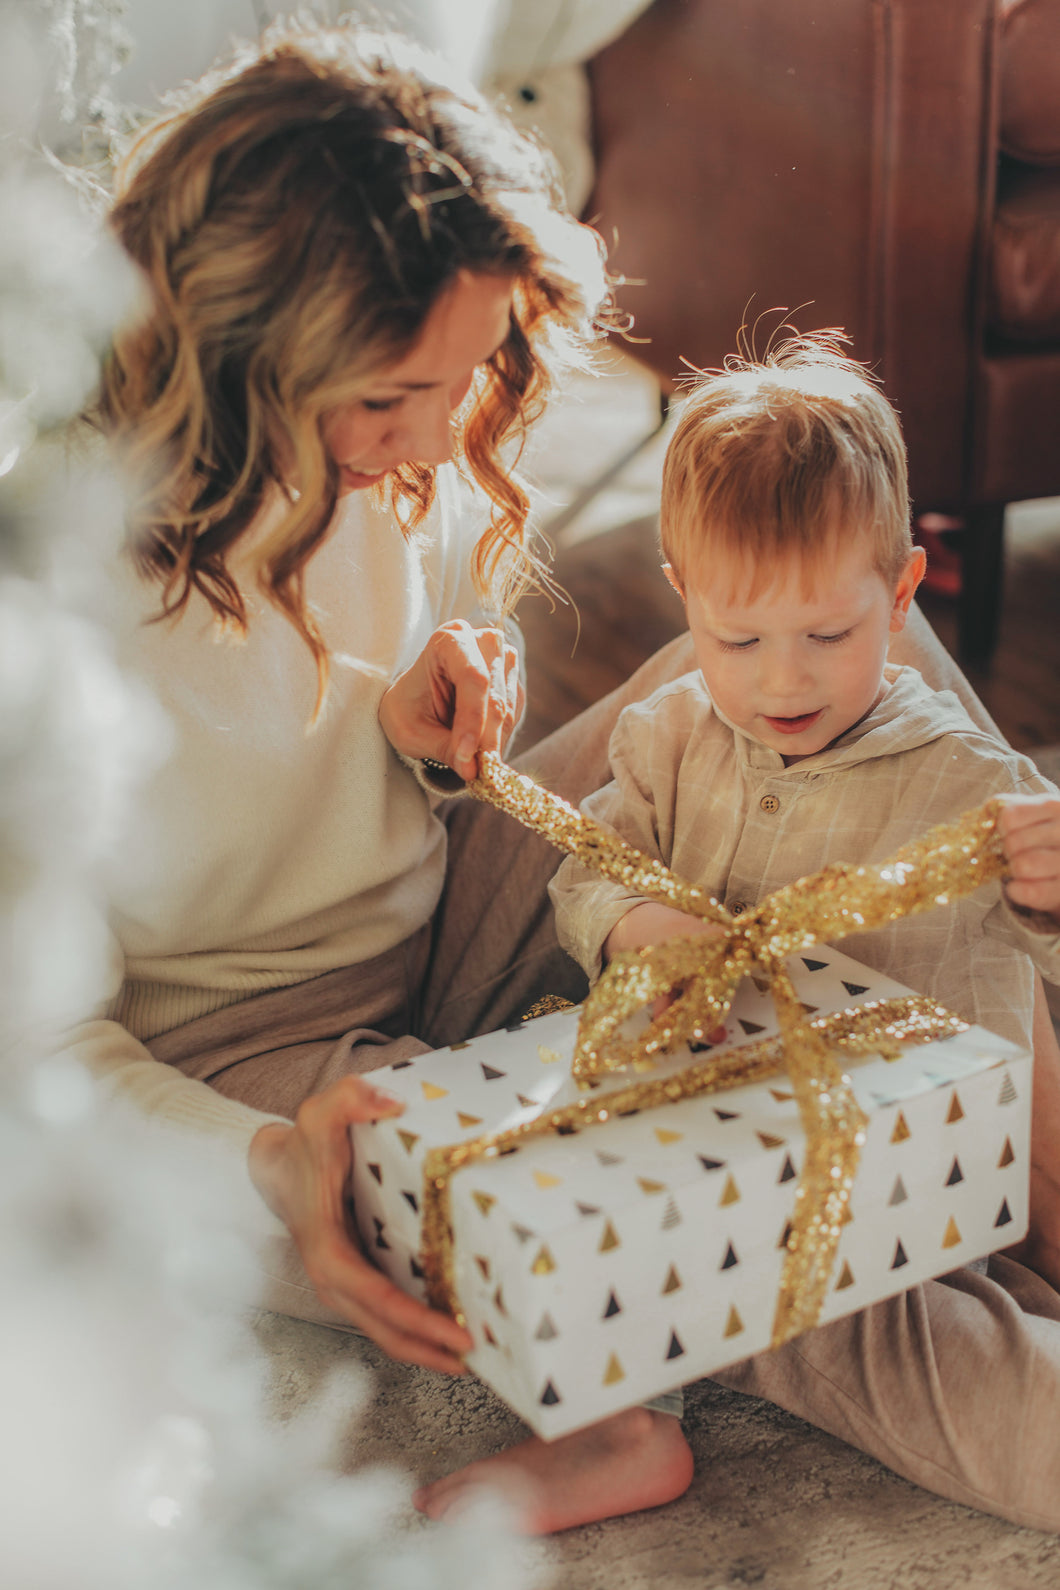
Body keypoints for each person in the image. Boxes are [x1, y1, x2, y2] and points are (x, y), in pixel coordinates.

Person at [64, 22, 1059, 1538]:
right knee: (761, 1237)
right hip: (260, 1059)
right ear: (232, 348)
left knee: (836, 645)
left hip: (468, 894)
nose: (434, 446)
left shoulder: (409, 435)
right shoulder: (50, 593)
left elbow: (359, 718)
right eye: (391, 400)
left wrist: (429, 719)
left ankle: (1028, 1146)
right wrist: (264, 1167)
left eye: (457, 388)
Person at [415, 337, 1060, 1533]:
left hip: (895, 1198)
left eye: (827, 635)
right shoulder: (664, 735)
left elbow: (1043, 969)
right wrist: (631, 922)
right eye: (737, 638)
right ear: (681, 596)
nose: (780, 681)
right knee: (542, 1217)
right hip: (694, 1146)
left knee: (973, 1388)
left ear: (903, 594)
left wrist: (1047, 892)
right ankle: (622, 1430)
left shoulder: (973, 781)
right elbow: (583, 871)